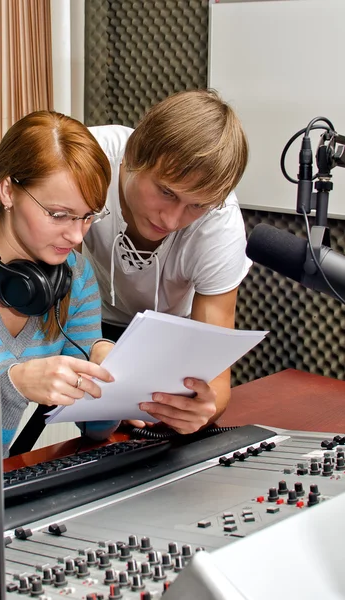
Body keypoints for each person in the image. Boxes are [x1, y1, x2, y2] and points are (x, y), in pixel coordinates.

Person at [0, 110, 118, 457]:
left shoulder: (75, 276)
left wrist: (112, 380)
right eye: (59, 214)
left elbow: (95, 430)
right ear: (8, 191)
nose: (76, 234)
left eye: (88, 216)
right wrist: (15, 383)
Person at [83, 89, 251, 434]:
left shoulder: (221, 225)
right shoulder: (87, 161)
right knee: (95, 434)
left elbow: (216, 380)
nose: (173, 220)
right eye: (167, 192)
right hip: (87, 315)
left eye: (196, 206)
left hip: (171, 330)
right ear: (132, 157)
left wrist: (204, 411)